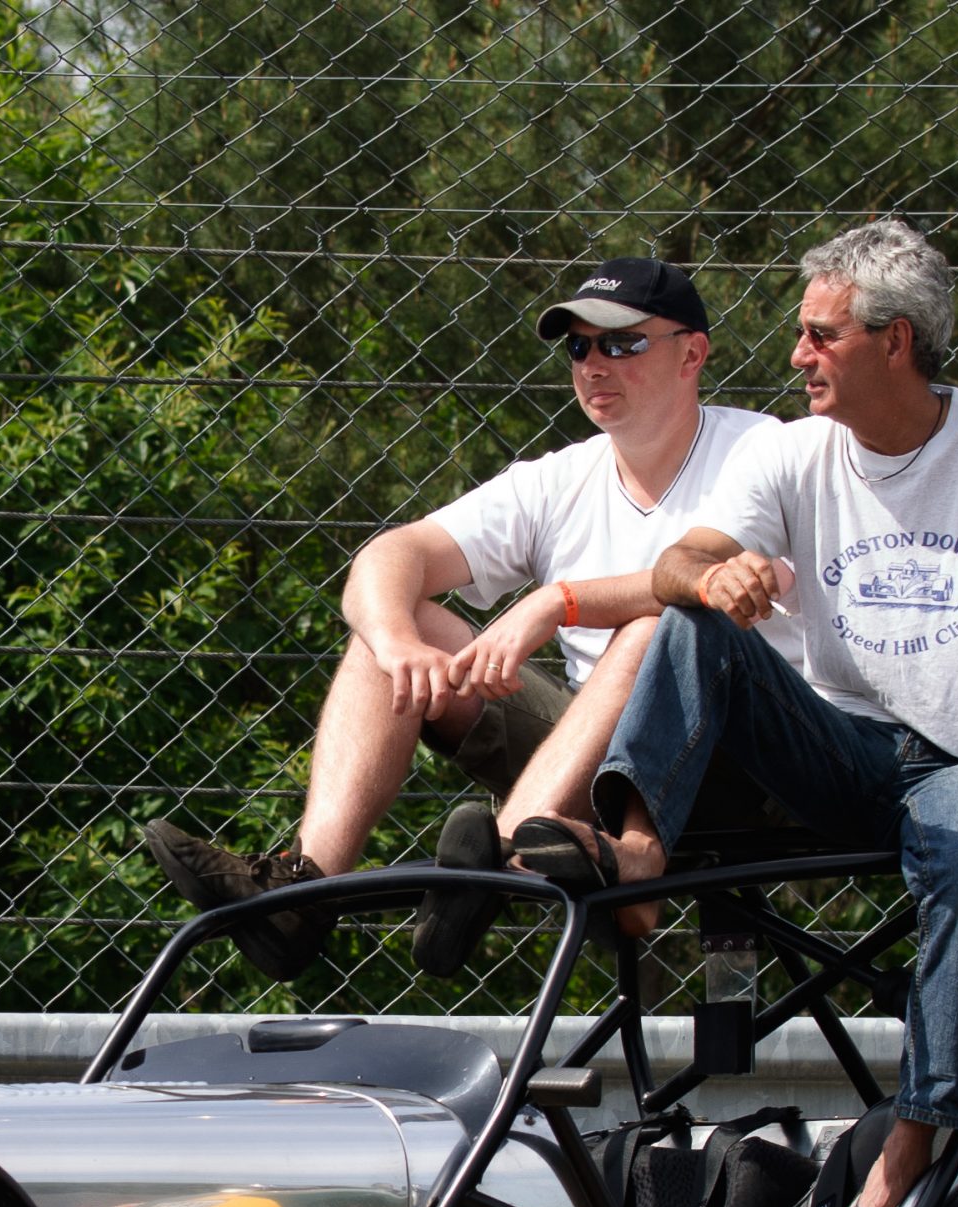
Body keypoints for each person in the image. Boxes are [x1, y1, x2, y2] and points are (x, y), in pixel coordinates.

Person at [511, 218, 958, 1207]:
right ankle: (637, 849)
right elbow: (685, 556)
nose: (796, 356)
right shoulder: (791, 451)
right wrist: (710, 576)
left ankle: (912, 1138)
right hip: (839, 749)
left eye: (819, 335)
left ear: (897, 341)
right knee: (693, 623)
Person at [144, 258, 789, 978]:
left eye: (622, 344)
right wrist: (395, 643)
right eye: (579, 347)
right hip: (593, 758)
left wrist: (554, 602)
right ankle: (302, 893)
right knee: (394, 627)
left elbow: (705, 582)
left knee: (650, 634)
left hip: (740, 761)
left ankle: (488, 875)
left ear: (692, 353)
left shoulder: (762, 454)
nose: (594, 364)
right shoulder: (561, 478)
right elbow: (395, 551)